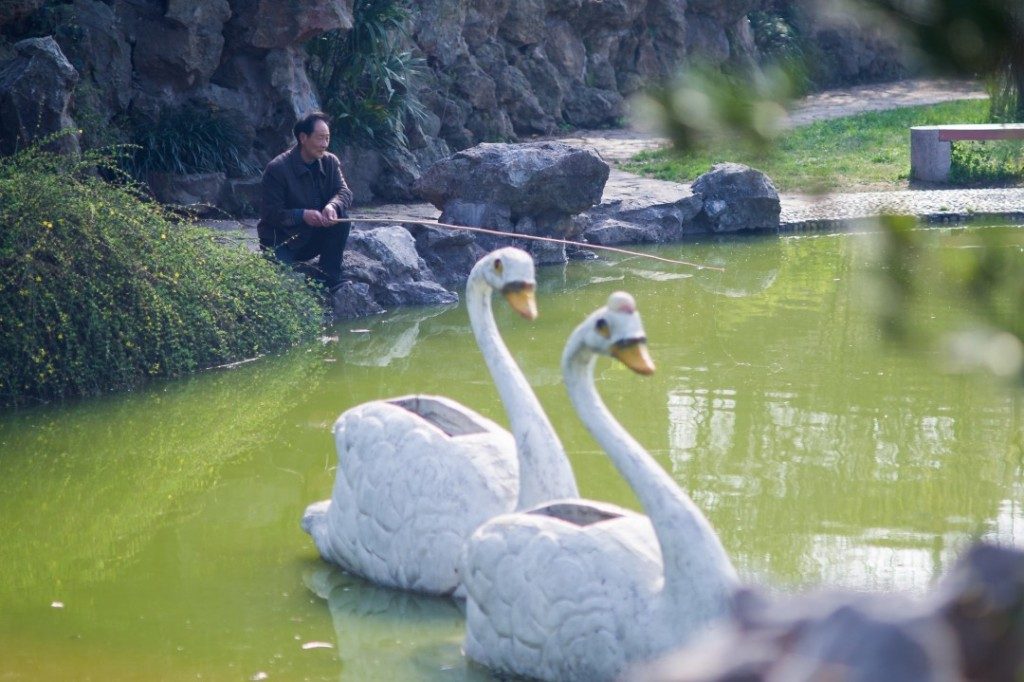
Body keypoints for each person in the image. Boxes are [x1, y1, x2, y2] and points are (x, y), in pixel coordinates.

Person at [257, 111, 353, 292]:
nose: (324, 144)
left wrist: (333, 206)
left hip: (312, 238)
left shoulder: (330, 161)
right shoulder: (277, 169)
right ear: (303, 137)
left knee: (342, 219)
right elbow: (271, 213)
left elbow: (344, 192)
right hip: (282, 241)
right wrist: (302, 215)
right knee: (282, 286)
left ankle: (329, 277)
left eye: (327, 138)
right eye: (320, 139)